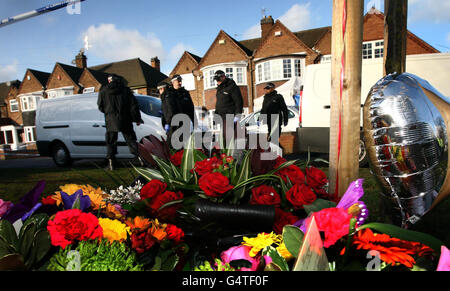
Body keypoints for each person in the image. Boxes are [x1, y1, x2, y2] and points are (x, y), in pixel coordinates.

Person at [97, 74, 144, 170]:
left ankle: (111, 164)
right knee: (131, 140)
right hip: (125, 119)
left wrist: (109, 113)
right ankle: (141, 159)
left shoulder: (103, 90)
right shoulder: (126, 90)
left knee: (111, 141)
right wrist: (137, 119)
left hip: (110, 120)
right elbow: (133, 106)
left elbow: (100, 106)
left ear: (110, 80)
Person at [213, 70, 244, 143]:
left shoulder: (232, 86)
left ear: (223, 77)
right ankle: (227, 153)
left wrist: (237, 115)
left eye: (219, 79)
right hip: (222, 117)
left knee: (230, 137)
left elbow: (238, 101)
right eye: (216, 80)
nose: (217, 82)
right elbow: (219, 104)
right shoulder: (220, 89)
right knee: (224, 137)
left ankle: (232, 152)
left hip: (230, 116)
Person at [158, 81, 180, 148]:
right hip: (175, 123)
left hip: (172, 124)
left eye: (159, 90)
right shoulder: (171, 95)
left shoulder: (167, 97)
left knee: (170, 145)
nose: (159, 92)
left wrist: (167, 123)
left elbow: (170, 111)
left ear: (162, 89)